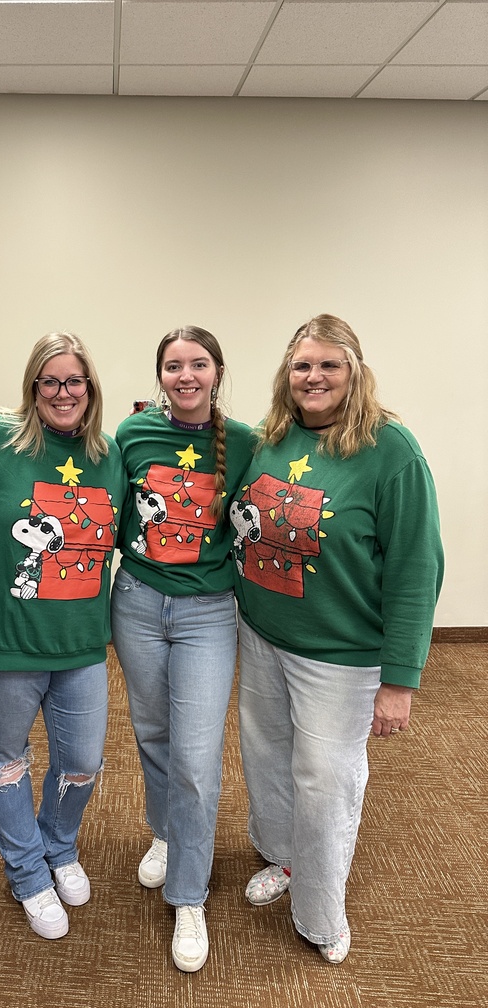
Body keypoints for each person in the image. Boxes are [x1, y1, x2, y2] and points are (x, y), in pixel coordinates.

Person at [230, 314, 444, 964]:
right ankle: (284, 858)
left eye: (329, 365)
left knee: (326, 782)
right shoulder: (271, 438)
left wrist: (401, 682)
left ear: (354, 371)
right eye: (302, 366)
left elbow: (416, 569)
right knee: (266, 756)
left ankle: (321, 915)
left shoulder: (391, 451)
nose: (313, 377)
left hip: (341, 658)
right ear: (286, 375)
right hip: (263, 635)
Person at [0, 332, 125, 940]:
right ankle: (26, 872)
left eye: (73, 381)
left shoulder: (110, 454)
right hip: (5, 647)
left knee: (80, 762)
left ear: (90, 388)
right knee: (7, 763)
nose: (62, 392)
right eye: (49, 381)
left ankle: (58, 846)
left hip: (81, 646)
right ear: (33, 387)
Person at [110, 326, 254, 973]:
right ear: (160, 374)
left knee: (197, 755)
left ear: (218, 372)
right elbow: (110, 520)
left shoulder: (245, 443)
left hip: (206, 613)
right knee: (153, 734)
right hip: (137, 601)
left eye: (198, 364)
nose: (186, 375)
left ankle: (189, 895)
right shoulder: (132, 435)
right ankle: (166, 833)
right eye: (174, 365)